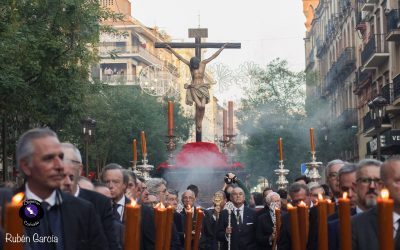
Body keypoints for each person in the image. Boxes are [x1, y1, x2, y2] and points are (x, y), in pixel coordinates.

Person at [16, 128, 107, 250]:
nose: (60, 165)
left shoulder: (84, 210)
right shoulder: (6, 206)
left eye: (61, 157)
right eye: (48, 158)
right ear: (26, 166)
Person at [60, 142, 121, 250]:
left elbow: (111, 245)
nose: (63, 165)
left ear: (79, 169)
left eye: (68, 161)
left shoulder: (100, 203)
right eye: (59, 160)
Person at [165, 43, 227, 136]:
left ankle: (199, 122)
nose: (194, 67)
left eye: (195, 65)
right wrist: (171, 49)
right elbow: (180, 58)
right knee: (200, 106)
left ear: (198, 63)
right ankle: (198, 123)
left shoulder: (203, 63)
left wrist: (222, 48)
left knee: (202, 107)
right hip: (193, 88)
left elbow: (213, 56)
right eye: (192, 66)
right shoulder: (190, 66)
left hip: (203, 88)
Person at [351, 157, 398, 250]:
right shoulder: (351, 224)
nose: (372, 186)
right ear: (355, 186)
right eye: (365, 180)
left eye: (377, 181)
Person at [278, 183, 310, 250]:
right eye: (296, 201)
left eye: (302, 200)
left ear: (308, 197)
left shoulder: (317, 215)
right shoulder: (285, 219)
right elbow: (283, 245)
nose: (299, 204)